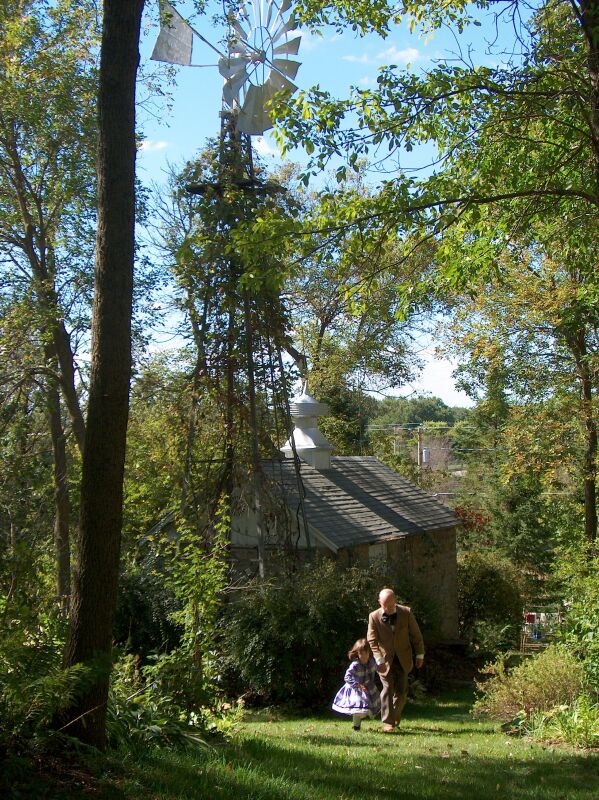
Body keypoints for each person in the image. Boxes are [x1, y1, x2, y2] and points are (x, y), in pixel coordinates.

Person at [367, 587, 425, 733]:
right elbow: (372, 640)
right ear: (379, 602)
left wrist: (420, 654)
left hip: (403, 658)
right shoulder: (373, 616)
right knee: (387, 688)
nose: (388, 609)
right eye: (385, 606)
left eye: (391, 605)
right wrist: (378, 658)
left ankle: (395, 714)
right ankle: (388, 722)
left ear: (395, 601)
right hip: (384, 660)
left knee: (402, 690)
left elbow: (416, 635)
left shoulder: (406, 612)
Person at [331, 638, 381, 730]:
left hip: (368, 688)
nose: (364, 656)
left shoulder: (372, 662)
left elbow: (379, 668)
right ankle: (356, 726)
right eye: (361, 653)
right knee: (358, 709)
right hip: (356, 689)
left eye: (366, 653)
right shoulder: (355, 665)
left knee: (368, 708)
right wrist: (357, 685)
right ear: (357, 653)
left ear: (369, 652)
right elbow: (347, 677)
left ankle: (360, 722)